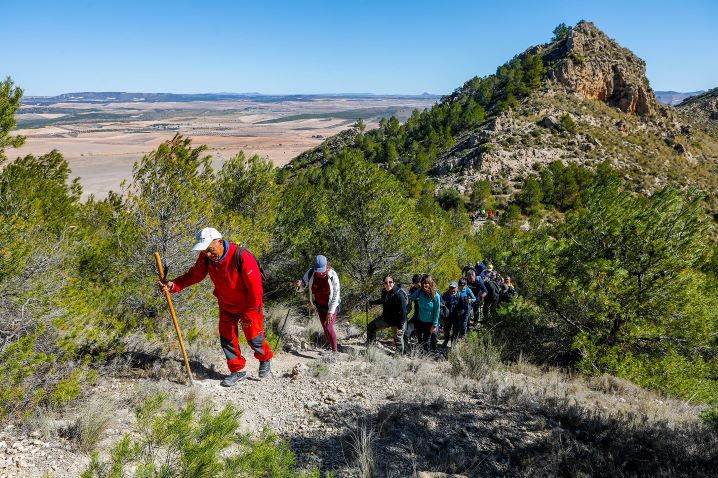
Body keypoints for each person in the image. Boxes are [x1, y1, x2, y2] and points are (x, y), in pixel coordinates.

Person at [159, 227, 273, 387]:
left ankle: (265, 358)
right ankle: (237, 371)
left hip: (249, 305)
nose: (207, 254)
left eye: (210, 249)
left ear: (220, 242)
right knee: (227, 339)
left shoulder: (242, 257)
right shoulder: (205, 257)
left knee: (254, 338)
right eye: (204, 250)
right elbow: (194, 275)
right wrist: (173, 285)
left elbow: (256, 290)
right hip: (226, 304)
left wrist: (250, 313)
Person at [295, 255, 341, 356]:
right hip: (320, 305)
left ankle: (334, 352)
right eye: (318, 270)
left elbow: (336, 295)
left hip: (332, 306)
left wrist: (330, 311)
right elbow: (303, 285)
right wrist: (299, 285)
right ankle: (329, 346)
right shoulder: (311, 272)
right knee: (324, 329)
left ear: (327, 267)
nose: (320, 273)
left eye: (322, 270)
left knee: (328, 327)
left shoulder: (333, 275)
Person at [366, 275, 408, 354]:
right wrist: (371, 302)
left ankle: (399, 357)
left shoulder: (399, 294)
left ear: (394, 283)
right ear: (384, 284)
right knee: (370, 327)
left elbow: (403, 312)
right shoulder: (385, 292)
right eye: (386, 282)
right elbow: (382, 300)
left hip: (398, 321)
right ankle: (371, 349)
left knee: (398, 340)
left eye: (390, 282)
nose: (388, 284)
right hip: (387, 319)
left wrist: (399, 326)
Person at [410, 274, 441, 351]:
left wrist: (434, 325)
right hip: (421, 320)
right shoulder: (420, 291)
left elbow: (437, 311)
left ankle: (428, 355)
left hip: (430, 322)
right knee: (420, 339)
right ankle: (421, 353)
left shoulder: (436, 296)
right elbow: (411, 297)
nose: (424, 285)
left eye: (426, 283)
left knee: (427, 340)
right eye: (423, 283)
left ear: (430, 283)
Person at [441, 281, 471, 348]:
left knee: (455, 331)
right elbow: (441, 304)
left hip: (456, 317)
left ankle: (453, 344)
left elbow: (463, 307)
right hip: (447, 316)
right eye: (451, 287)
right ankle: (446, 341)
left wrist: (461, 312)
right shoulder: (445, 295)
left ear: (457, 288)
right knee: (446, 330)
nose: (452, 289)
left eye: (454, 288)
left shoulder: (460, 296)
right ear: (449, 288)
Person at [403, 274, 422, 350]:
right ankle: (407, 349)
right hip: (417, 313)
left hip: (427, 317)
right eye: (415, 283)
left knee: (423, 335)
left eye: (418, 282)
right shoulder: (412, 289)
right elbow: (409, 303)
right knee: (407, 331)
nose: (417, 285)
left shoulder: (426, 288)